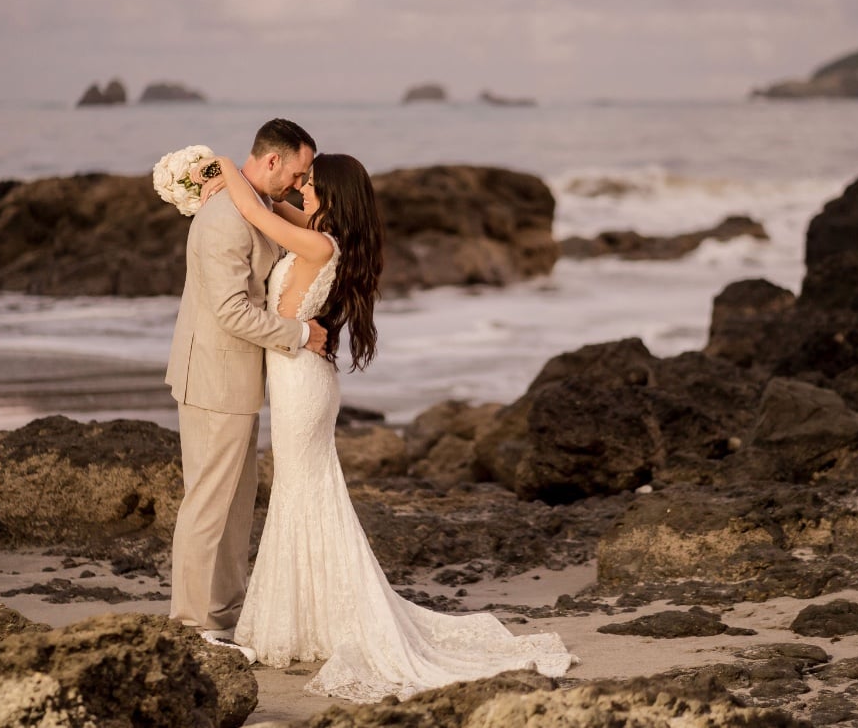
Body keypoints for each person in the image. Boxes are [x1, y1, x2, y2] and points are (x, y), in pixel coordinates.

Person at [195, 151, 577, 702]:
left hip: (302, 383)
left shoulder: (321, 244)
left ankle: (305, 621)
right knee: (302, 496)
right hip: (303, 377)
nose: (302, 186)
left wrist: (221, 165)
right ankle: (308, 618)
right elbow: (274, 206)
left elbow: (259, 217)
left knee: (303, 495)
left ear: (332, 193)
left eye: (311, 182)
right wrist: (256, 187)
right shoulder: (325, 234)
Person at [165, 118, 327, 665]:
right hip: (213, 378)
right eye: (299, 172)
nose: (300, 185)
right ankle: (189, 623)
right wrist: (302, 335)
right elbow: (231, 311)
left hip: (241, 379)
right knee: (208, 504)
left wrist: (223, 169)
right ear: (274, 160)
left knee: (235, 507)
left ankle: (222, 618)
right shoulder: (223, 219)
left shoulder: (254, 204)